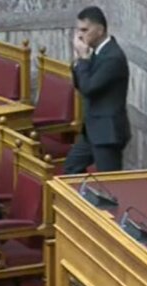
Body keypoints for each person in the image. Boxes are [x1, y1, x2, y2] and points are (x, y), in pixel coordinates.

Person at [62, 6, 130, 175]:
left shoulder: (113, 57)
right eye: (78, 30)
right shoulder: (97, 52)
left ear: (100, 30)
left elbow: (89, 88)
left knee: (109, 181)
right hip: (92, 130)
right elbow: (80, 84)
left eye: (85, 30)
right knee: (71, 167)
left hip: (107, 133)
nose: (79, 36)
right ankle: (86, 193)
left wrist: (84, 60)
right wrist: (79, 60)